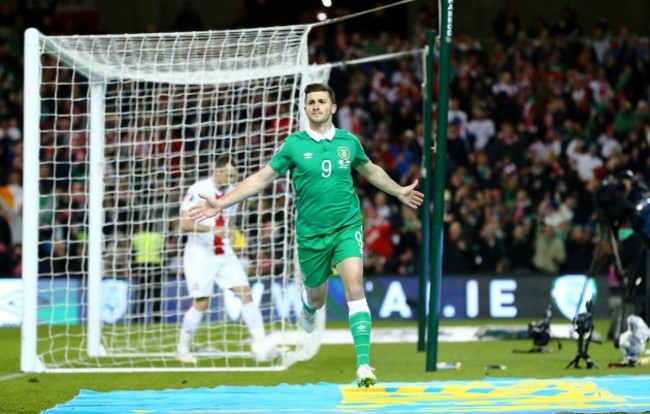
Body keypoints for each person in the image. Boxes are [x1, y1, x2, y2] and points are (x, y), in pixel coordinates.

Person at [188, 83, 423, 387]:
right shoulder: (293, 145)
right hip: (311, 236)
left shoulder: (348, 142)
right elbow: (261, 179)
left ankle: (364, 366)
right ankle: (309, 307)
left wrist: (398, 190)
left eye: (322, 101)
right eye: (311, 102)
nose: (316, 106)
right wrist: (219, 203)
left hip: (346, 227)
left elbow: (371, 170)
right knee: (317, 297)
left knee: (355, 288)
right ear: (306, 107)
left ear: (333, 107)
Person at [177, 155, 278, 364]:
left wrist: (230, 232)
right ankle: (182, 348)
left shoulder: (232, 193)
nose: (231, 178)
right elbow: (184, 224)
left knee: (245, 292)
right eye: (228, 174)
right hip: (200, 253)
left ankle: (260, 342)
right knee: (202, 302)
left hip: (223, 252)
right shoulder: (198, 189)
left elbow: (228, 222)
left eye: (234, 175)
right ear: (217, 170)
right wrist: (213, 229)